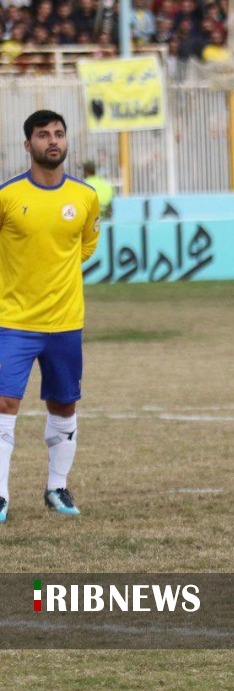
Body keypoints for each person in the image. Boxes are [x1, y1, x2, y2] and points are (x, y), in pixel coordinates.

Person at [0, 110, 100, 523]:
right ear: (28, 145)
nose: (53, 141)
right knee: (5, 402)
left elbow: (86, 245)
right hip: (14, 322)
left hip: (65, 323)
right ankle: (0, 495)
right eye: (43, 135)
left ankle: (57, 487)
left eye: (59, 133)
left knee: (64, 403)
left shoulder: (84, 197)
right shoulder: (7, 197)